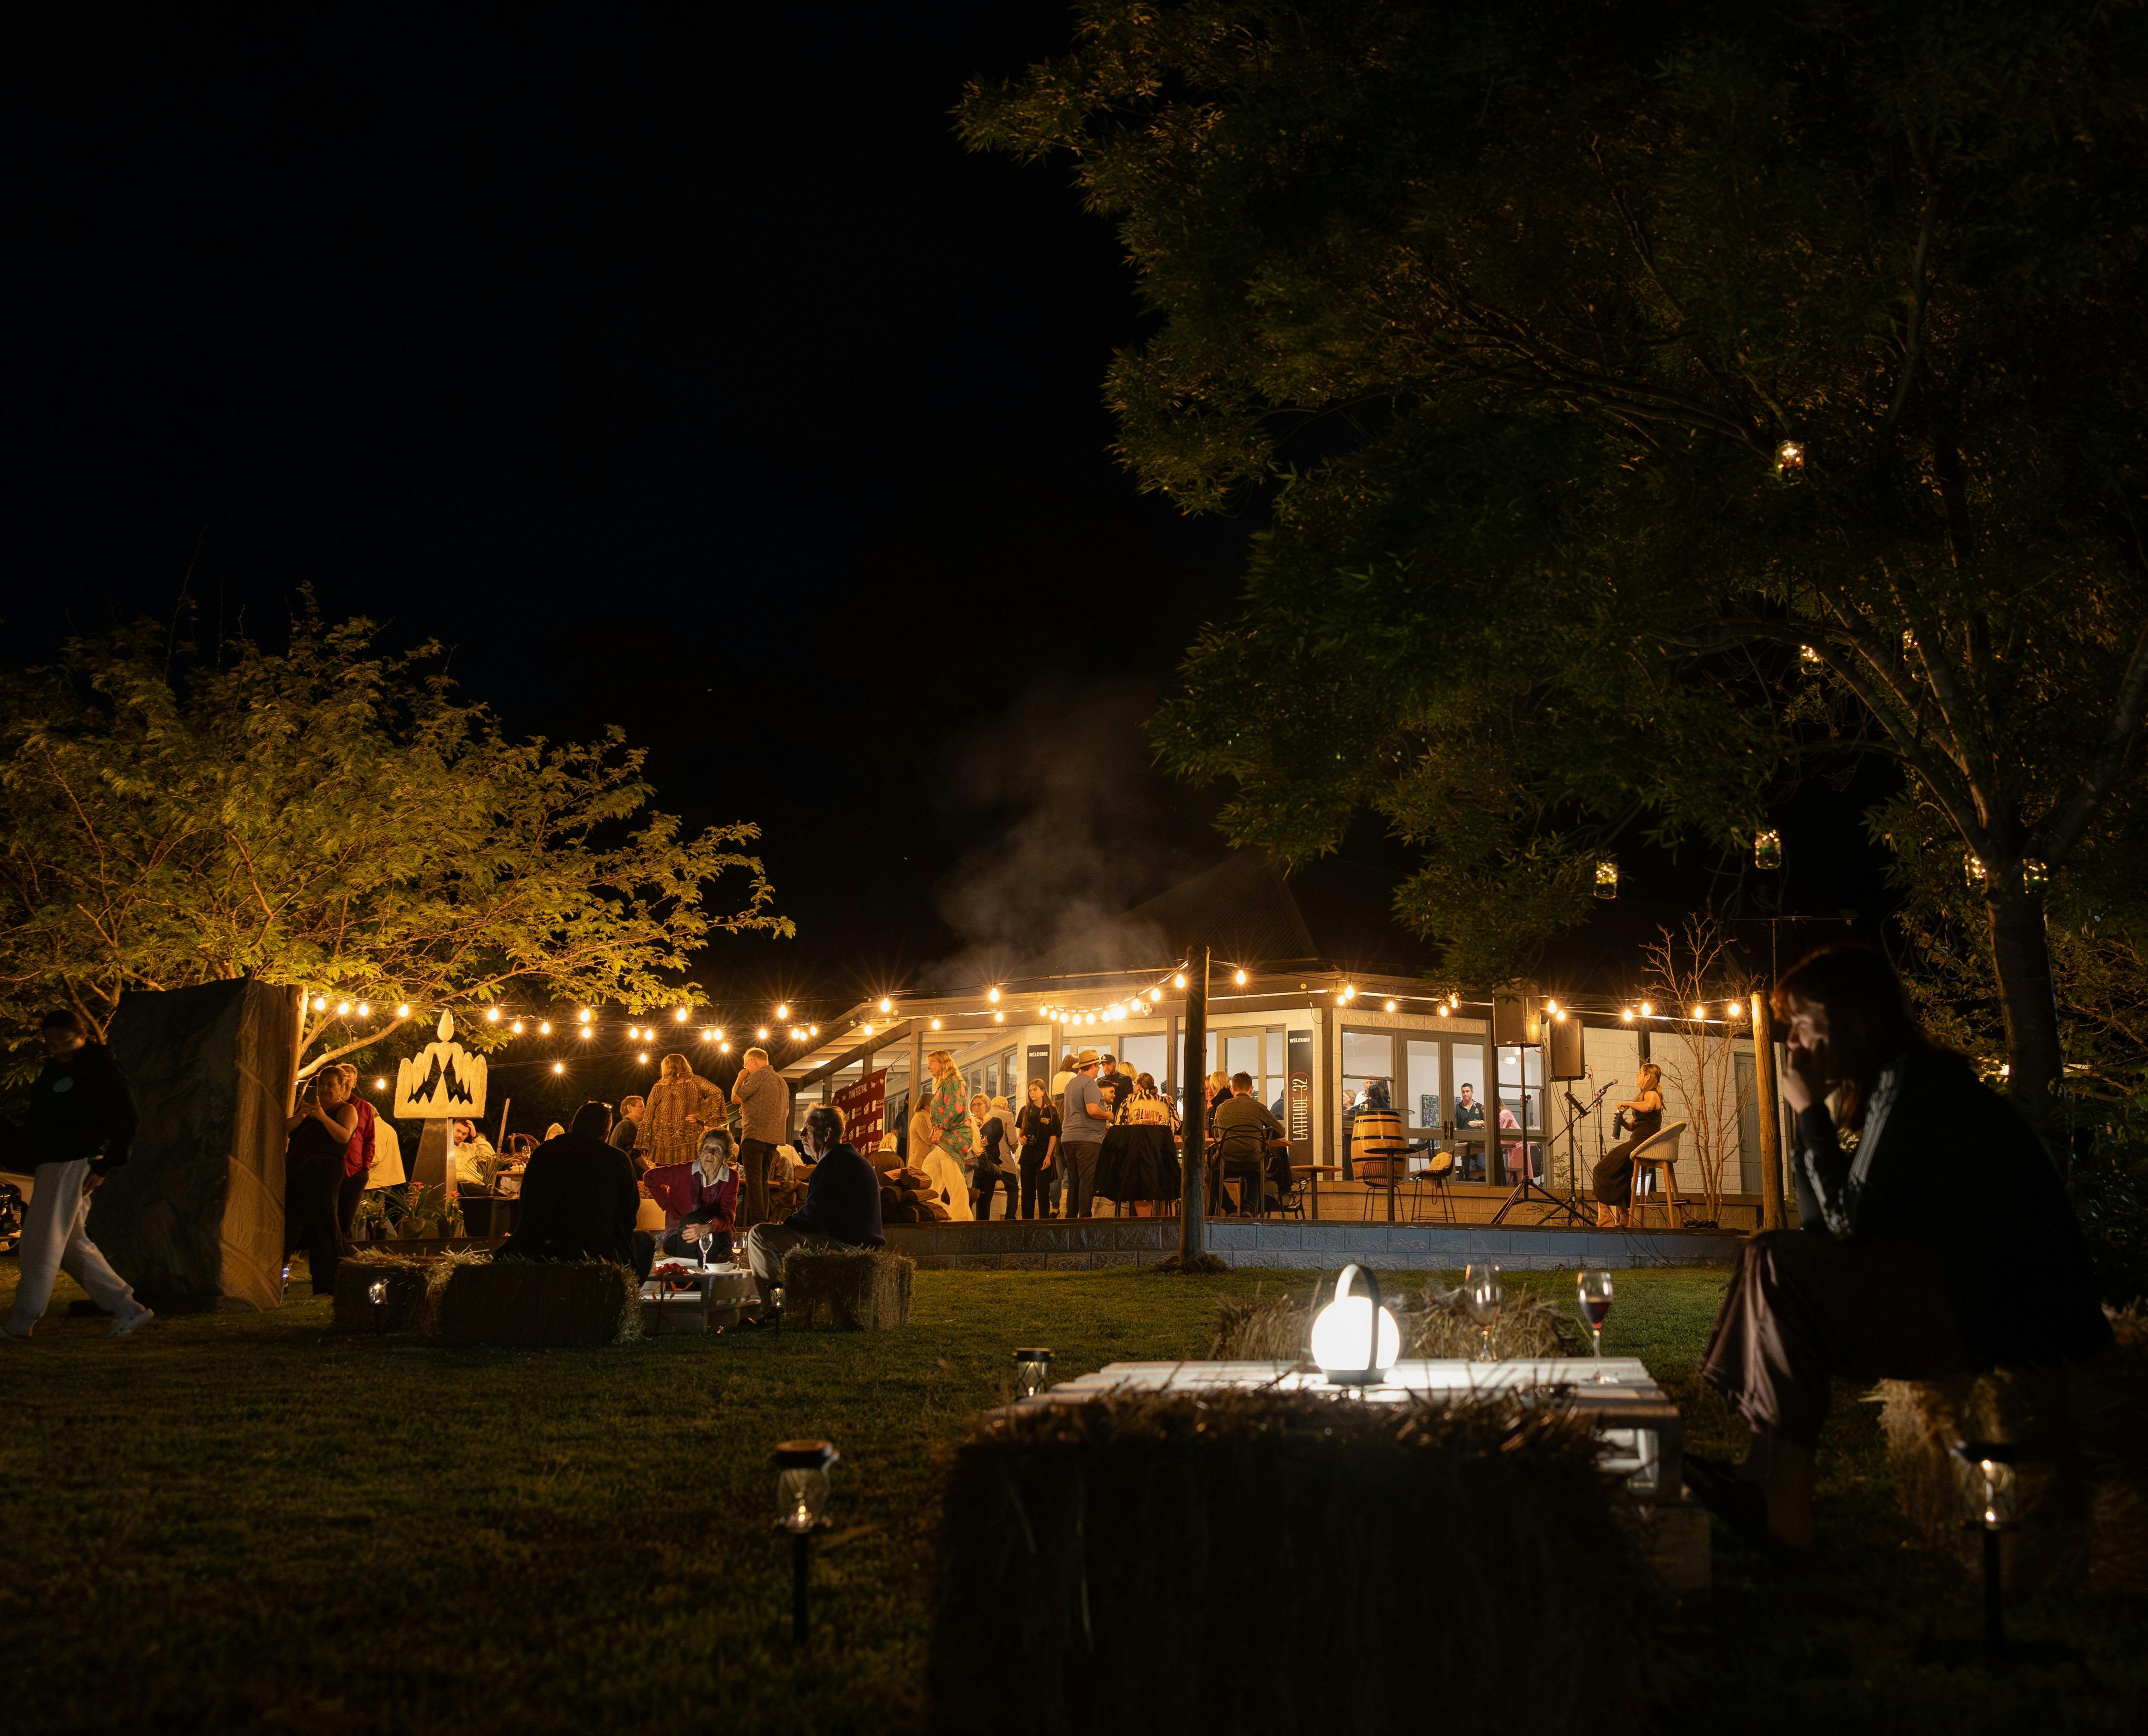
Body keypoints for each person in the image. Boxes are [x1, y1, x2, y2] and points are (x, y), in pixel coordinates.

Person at [1688, 944, 2111, 1552]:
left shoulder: (1914, 1083)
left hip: (2021, 1327)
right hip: (1975, 1302)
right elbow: (1822, 1225)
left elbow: (1843, 1224)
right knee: (1769, 1252)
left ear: (1852, 1019)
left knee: (1777, 1259)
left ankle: (1782, 1505)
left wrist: (1808, 1111)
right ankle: (1763, 1476)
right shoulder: (1894, 1084)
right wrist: (1814, 1117)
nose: (1795, 1047)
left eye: (1804, 1026)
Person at [3, 1009, 152, 1339]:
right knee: (73, 1248)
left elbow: (127, 1118)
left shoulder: (101, 1068)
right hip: (55, 1163)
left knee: (40, 1242)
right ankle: (129, 1308)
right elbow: (39, 1125)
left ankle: (22, 1321)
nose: (60, 1048)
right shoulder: (53, 1071)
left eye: (67, 1041)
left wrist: (104, 1165)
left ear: (83, 1036)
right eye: (53, 1043)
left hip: (74, 1162)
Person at [742, 1104, 884, 1312]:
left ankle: (774, 1308)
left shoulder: (836, 1162)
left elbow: (816, 1216)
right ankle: (789, 1301)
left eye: (807, 1130)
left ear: (827, 1133)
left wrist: (787, 1224)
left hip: (847, 1247)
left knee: (760, 1235)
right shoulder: (846, 1159)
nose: (801, 1135)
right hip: (854, 1242)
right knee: (773, 1235)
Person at [499, 1101, 643, 1274]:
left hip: (539, 1246)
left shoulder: (543, 1153)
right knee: (645, 1242)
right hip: (597, 1250)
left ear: (571, 1126)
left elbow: (528, 1204)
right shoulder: (617, 1159)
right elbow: (628, 1212)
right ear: (606, 1134)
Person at [285, 1066, 359, 1298]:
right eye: (322, 1084)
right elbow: (286, 1129)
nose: (325, 1089)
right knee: (291, 1223)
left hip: (324, 1173)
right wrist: (303, 1115)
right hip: (298, 1171)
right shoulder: (309, 1109)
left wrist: (323, 1117)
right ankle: (280, 1279)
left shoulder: (346, 1110)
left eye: (330, 1084)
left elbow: (344, 1136)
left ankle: (329, 1281)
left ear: (340, 1087)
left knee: (324, 1224)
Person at [639, 1127, 739, 1265]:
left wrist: (707, 1227)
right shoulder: (683, 1171)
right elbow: (650, 1177)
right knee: (693, 1220)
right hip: (678, 1235)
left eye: (717, 1149)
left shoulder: (731, 1177)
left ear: (725, 1156)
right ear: (701, 1151)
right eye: (707, 1148)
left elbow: (728, 1214)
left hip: (713, 1233)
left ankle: (692, 1276)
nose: (710, 1153)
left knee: (713, 1238)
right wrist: (668, 1205)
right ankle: (692, 1276)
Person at [1591, 1062, 1665, 1228]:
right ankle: (1624, 1216)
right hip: (1636, 1141)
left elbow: (1648, 1107)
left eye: (1640, 1073)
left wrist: (1628, 1104)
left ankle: (1605, 1215)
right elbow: (1634, 1126)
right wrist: (1622, 1122)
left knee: (1601, 1170)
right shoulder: (1642, 1096)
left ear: (1648, 1076)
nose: (1637, 1076)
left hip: (1643, 1143)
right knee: (1620, 1176)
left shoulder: (1652, 1094)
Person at [730, 1045, 791, 1229]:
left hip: (755, 1134)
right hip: (773, 1139)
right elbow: (784, 1112)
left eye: (745, 1066)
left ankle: (757, 1223)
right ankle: (763, 1221)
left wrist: (741, 1077)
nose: (746, 1070)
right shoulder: (782, 1081)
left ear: (752, 1061)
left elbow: (735, 1097)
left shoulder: (758, 1075)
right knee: (763, 1180)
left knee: (754, 1180)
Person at [1212, 1072, 1286, 1215]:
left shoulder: (1221, 1108)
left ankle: (1230, 1209)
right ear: (1251, 1089)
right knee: (1257, 1175)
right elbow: (1280, 1132)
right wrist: (1260, 1134)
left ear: (1232, 1090)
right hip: (1252, 1159)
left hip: (1226, 1161)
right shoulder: (1258, 1107)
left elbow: (1217, 1135)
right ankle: (1248, 1208)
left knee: (1211, 1178)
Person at [649, 1052, 727, 1174]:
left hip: (663, 1140)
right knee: (690, 1175)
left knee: (667, 1176)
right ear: (685, 1065)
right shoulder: (696, 1081)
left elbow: (649, 1113)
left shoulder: (658, 1086)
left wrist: (700, 1115)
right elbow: (717, 1093)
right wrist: (701, 1115)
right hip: (689, 1137)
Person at [1058, 1049, 1111, 1218]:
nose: (1099, 1069)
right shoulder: (1089, 1084)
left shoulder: (1071, 1084)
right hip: (1087, 1138)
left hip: (1068, 1137)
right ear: (1094, 1066)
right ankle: (1085, 1217)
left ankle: (1071, 1218)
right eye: (1098, 1065)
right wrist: (1109, 1115)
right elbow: (1093, 1110)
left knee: (1074, 1181)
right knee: (1087, 1179)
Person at [335, 1065, 377, 1236]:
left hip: (355, 1170)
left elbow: (369, 1139)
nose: (346, 1081)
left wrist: (365, 1167)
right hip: (332, 1167)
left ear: (354, 1083)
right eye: (342, 1077)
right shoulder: (329, 1104)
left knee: (346, 1218)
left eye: (349, 1078)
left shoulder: (364, 1107)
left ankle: (340, 1254)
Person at [1016, 1077, 1060, 1220]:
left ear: (1043, 1091)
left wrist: (1049, 1156)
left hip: (1043, 1154)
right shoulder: (1026, 1110)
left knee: (1043, 1192)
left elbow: (1054, 1136)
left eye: (1035, 1090)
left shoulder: (1052, 1111)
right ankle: (1027, 1221)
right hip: (1028, 1154)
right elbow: (1021, 1133)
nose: (1032, 1093)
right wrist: (1021, 1139)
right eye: (1030, 1090)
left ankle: (1043, 1221)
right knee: (1027, 1193)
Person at [970, 1092, 1018, 1220]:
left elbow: (991, 1139)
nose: (976, 1107)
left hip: (986, 1170)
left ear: (987, 1105)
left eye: (979, 1104)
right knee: (967, 1204)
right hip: (971, 1169)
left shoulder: (995, 1122)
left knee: (984, 1208)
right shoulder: (969, 1123)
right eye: (973, 1105)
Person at [450, 1118, 496, 1193]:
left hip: (478, 1185)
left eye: (464, 1134)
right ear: (451, 1129)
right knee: (490, 1198)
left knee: (507, 1200)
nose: (460, 1135)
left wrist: (475, 1136)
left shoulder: (471, 1147)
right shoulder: (444, 1148)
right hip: (460, 1186)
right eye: (458, 1131)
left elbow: (491, 1156)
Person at [1453, 1082, 1486, 1179]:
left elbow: (1486, 1124)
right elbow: (1456, 1127)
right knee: (1468, 1169)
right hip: (1465, 1144)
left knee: (1483, 1166)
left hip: (1479, 1143)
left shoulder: (1480, 1107)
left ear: (1472, 1092)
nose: (1465, 1094)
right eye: (1463, 1092)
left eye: (1467, 1091)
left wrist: (1484, 1125)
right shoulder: (1458, 1109)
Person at [610, 1094, 648, 1165]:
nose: (645, 1110)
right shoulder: (627, 1125)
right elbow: (634, 1153)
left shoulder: (626, 1125)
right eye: (641, 1107)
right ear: (630, 1108)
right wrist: (649, 1170)